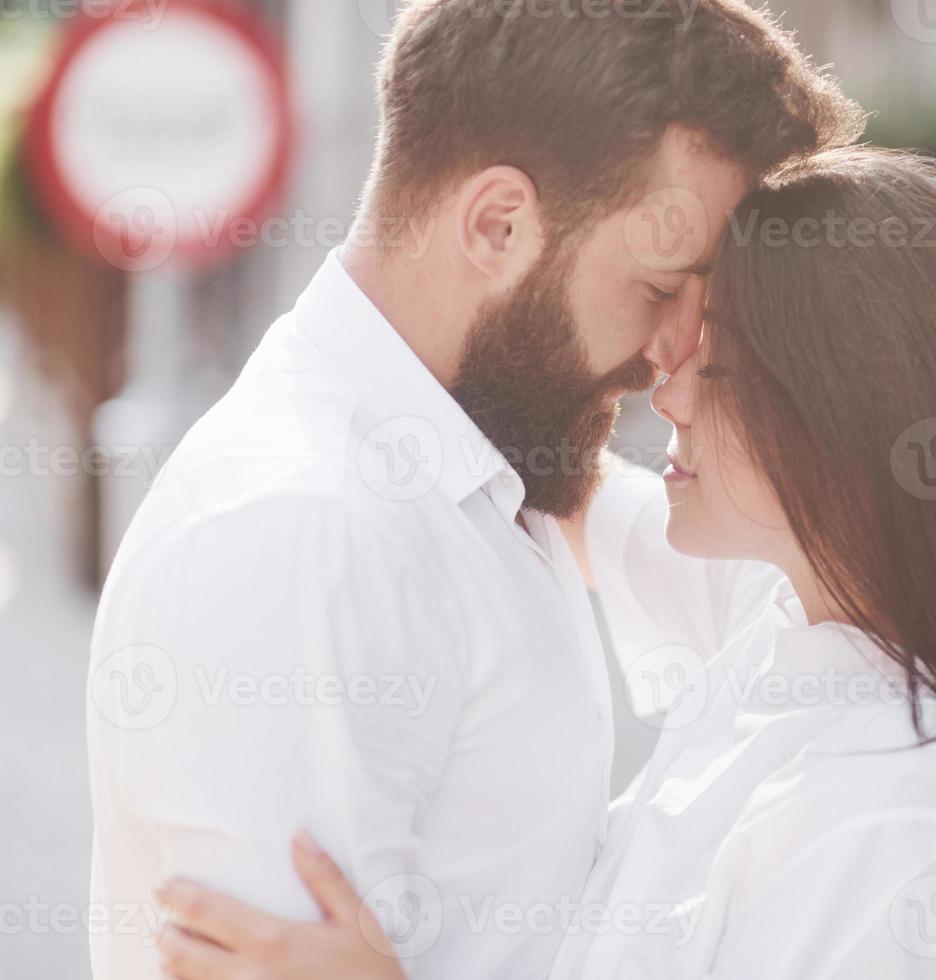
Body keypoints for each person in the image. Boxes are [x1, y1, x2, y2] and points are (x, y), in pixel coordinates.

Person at [150, 149, 936, 979]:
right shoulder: (791, 618)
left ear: (862, 426)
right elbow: (566, 487)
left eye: (725, 365)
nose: (671, 390)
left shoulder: (892, 826)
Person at [86, 2, 862, 976]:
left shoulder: (488, 463)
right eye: (661, 288)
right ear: (498, 224)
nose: (673, 353)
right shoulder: (308, 530)